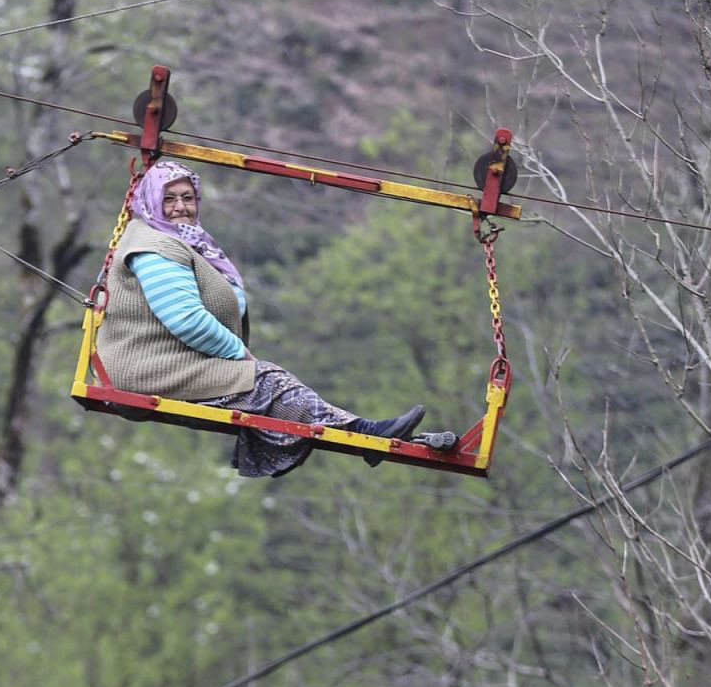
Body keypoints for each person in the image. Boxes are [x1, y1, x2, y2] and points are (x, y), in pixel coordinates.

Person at [95, 159, 455, 477]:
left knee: (265, 385)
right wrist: (237, 353)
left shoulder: (181, 241)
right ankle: (365, 434)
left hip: (165, 361)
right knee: (265, 380)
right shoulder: (156, 247)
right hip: (144, 370)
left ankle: (365, 434)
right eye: (169, 199)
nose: (180, 207)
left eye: (187, 198)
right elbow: (186, 319)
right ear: (151, 201)